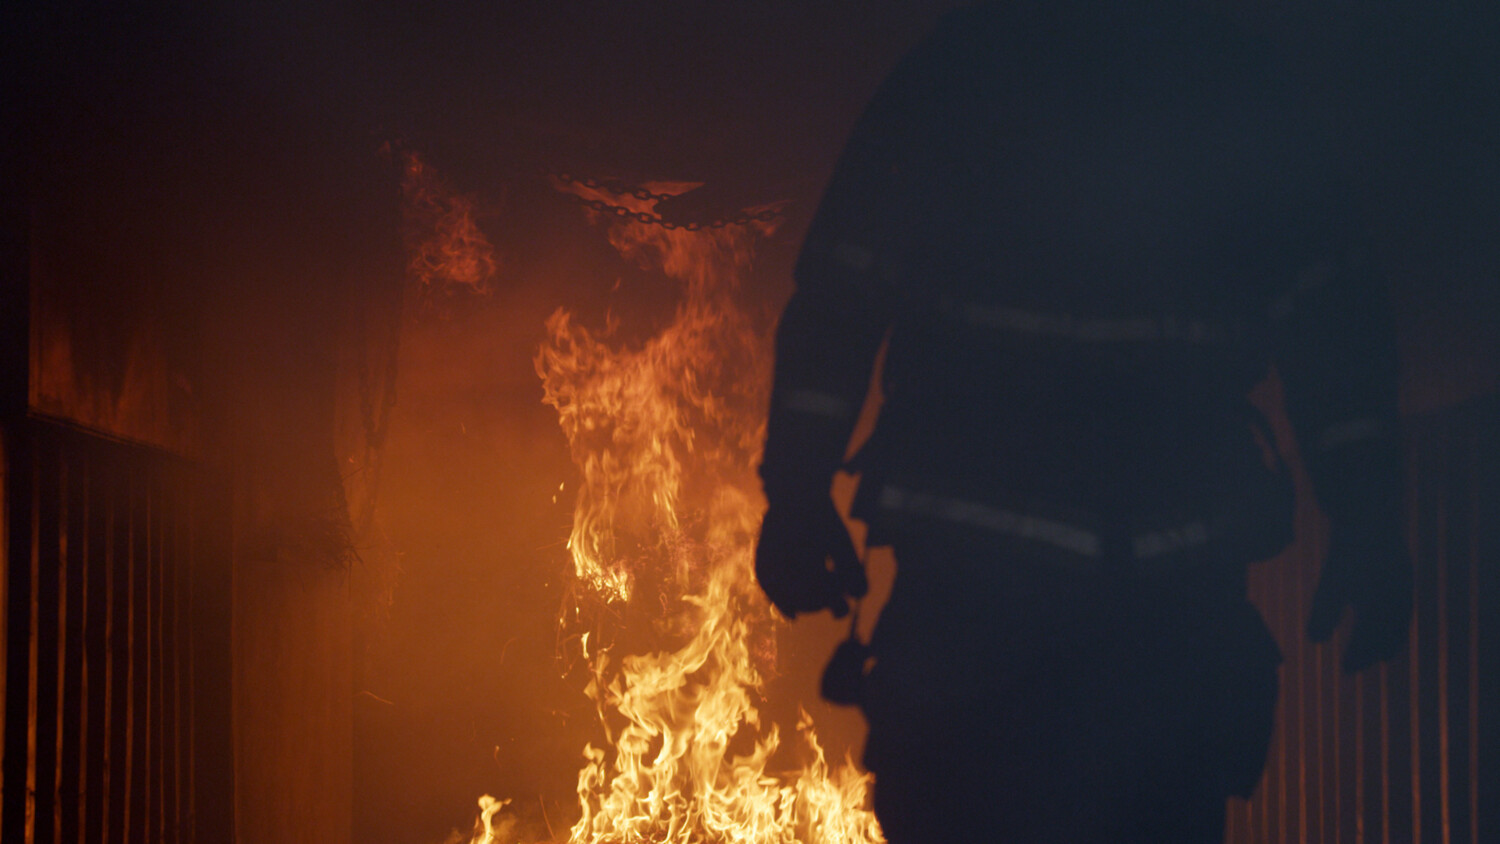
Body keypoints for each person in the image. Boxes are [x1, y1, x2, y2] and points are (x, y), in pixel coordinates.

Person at [753, 2, 1412, 841]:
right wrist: (1367, 518)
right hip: (1158, 625)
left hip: (980, 618)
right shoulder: (1230, 85)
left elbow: (839, 300)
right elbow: (1333, 315)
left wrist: (799, 492)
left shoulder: (953, 78)